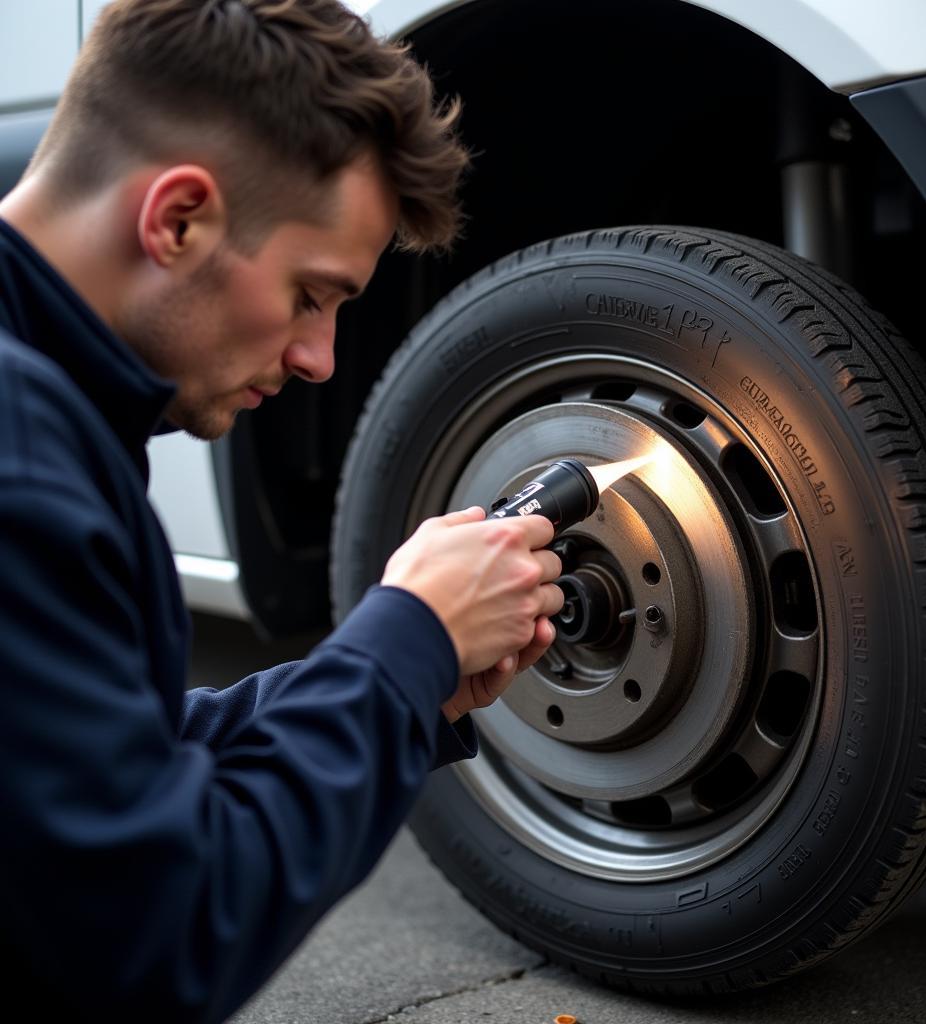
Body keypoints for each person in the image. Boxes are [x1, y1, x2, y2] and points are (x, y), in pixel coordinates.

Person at [0, 1, 563, 1019]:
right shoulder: (25, 459)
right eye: (311, 295)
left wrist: (402, 681)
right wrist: (402, 646)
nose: (319, 359)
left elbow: (89, 769)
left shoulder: (38, 403)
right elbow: (152, 938)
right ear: (177, 219)